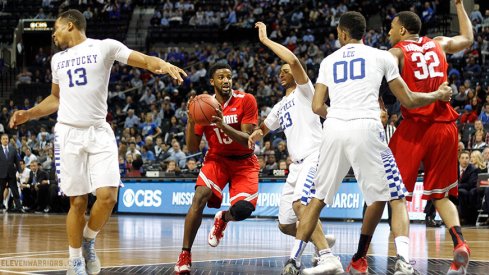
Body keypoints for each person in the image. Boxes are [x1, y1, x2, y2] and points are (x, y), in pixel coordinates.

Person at [9, 9, 186, 275]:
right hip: (68, 133)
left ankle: (89, 239)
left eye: (56, 28)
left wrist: (163, 64)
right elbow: (56, 98)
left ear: (70, 25)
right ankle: (75, 261)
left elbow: (144, 61)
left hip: (98, 131)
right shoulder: (57, 60)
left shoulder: (105, 47)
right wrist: (29, 114)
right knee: (77, 203)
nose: (53, 34)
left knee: (107, 196)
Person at [288, 11, 451, 275]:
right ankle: (402, 261)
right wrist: (438, 94)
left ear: (342, 33)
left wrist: (339, 115)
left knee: (317, 199)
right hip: (366, 128)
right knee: (397, 196)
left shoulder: (328, 61)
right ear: (363, 32)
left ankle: (293, 260)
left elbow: (317, 106)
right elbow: (408, 100)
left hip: (334, 130)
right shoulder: (382, 56)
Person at [388, 1, 473, 273]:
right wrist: (459, 5)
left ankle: (402, 257)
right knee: (441, 195)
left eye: (391, 28)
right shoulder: (439, 43)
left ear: (401, 30)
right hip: (445, 125)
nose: (388, 32)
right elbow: (469, 38)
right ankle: (459, 242)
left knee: (397, 194)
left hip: (415, 127)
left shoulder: (396, 52)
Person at [248, 22, 335, 273]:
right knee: (285, 223)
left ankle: (327, 256)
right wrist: (254, 135)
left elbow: (295, 62)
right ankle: (320, 240)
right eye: (280, 71)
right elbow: (264, 128)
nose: (281, 73)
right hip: (295, 166)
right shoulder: (279, 105)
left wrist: (265, 41)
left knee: (302, 205)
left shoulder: (306, 92)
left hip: (314, 155)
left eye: (285, 70)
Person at [175, 63, 259, 274]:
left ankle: (223, 218)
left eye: (229, 77)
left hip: (244, 162)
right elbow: (192, 148)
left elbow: (247, 140)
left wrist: (222, 125)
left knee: (243, 210)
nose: (226, 81)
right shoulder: (204, 104)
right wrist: (191, 120)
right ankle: (185, 254)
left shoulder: (246, 100)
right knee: (200, 196)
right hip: (217, 159)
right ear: (212, 81)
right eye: (221, 77)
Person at [0, 133, 23, 212]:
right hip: (1, 174)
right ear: (1, 140)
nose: (5, 140)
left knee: (15, 191)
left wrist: (20, 171)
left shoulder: (12, 149)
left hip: (11, 174)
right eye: (3, 139)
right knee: (0, 191)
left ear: (8, 140)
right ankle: (0, 206)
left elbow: (17, 161)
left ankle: (19, 207)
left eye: (6, 139)